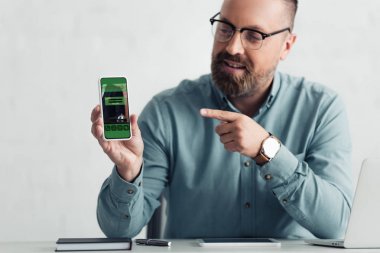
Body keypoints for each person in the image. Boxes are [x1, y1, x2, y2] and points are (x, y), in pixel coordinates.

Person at [91, 0, 353, 239]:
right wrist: (129, 172)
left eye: (254, 36)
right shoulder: (166, 112)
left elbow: (336, 225)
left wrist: (268, 151)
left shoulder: (322, 109)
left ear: (286, 46)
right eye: (225, 28)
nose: (232, 47)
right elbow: (118, 231)